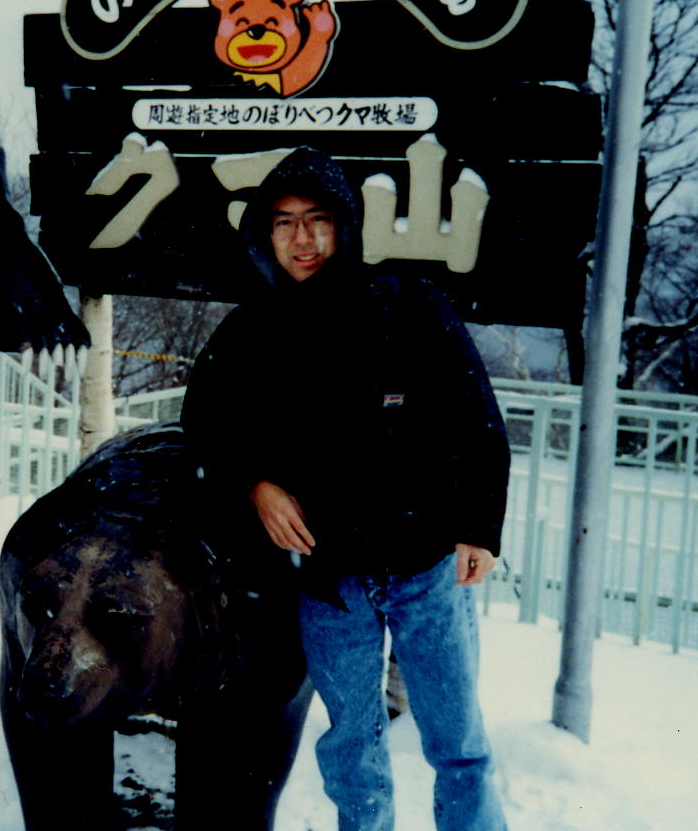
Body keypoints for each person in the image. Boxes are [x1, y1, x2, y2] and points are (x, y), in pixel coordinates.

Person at [181, 146, 510, 831]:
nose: (302, 238)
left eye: (317, 220)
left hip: (426, 567)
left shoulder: (410, 306)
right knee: (352, 749)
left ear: (346, 225)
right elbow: (205, 426)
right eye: (283, 222)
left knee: (457, 742)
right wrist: (255, 485)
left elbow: (474, 417)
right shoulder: (251, 329)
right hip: (329, 580)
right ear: (264, 233)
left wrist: (479, 526)